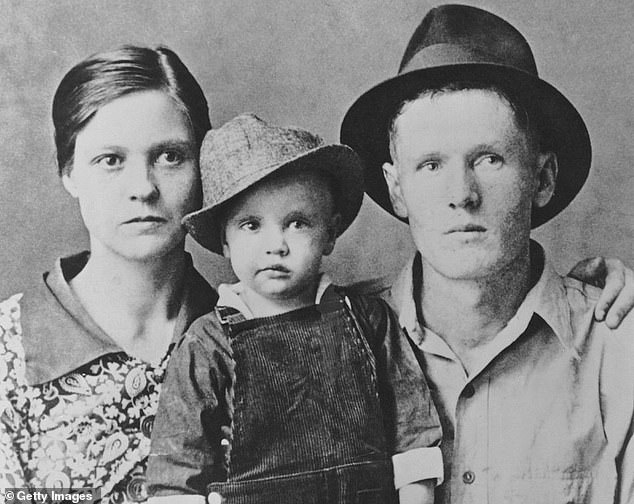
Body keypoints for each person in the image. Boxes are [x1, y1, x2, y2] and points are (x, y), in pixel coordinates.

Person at [340, 4, 634, 503]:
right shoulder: (336, 337)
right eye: (430, 165)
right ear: (396, 190)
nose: (462, 193)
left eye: (489, 159)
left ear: (541, 179)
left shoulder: (618, 350)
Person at [146, 114, 443, 504]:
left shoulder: (368, 320)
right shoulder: (209, 342)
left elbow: (414, 438)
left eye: (297, 223)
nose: (276, 245)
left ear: (330, 234)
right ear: (225, 242)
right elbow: (177, 470)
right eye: (251, 225)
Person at [0, 46, 217, 503]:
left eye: (171, 156)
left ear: (202, 168)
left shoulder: (242, 336)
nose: (143, 187)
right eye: (111, 160)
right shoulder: (8, 352)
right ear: (69, 172)